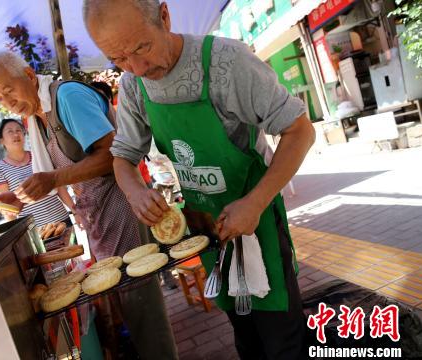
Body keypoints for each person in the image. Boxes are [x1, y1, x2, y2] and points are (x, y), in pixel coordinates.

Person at [83, 1, 316, 359]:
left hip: (258, 223)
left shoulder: (226, 62)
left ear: (164, 16)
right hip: (209, 230)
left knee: (283, 340)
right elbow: (123, 158)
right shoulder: (132, 87)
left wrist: (253, 203)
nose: (137, 67)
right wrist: (134, 191)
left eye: (142, 47)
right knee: (245, 335)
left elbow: (299, 131)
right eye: (119, 58)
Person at [0, 52, 178, 360]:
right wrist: (20, 196)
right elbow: (52, 175)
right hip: (97, 217)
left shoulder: (68, 98)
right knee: (127, 308)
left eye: (9, 89)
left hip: (122, 207)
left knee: (143, 307)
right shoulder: (37, 119)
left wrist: (53, 178)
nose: (6, 100)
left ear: (30, 76)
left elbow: (113, 154)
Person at [0, 118, 72, 227]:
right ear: (1, 140)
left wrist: (74, 210)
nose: (15, 134)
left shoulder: (40, 155)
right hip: (35, 230)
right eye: (10, 131)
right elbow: (8, 209)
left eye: (18, 130)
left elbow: (59, 187)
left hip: (62, 221)